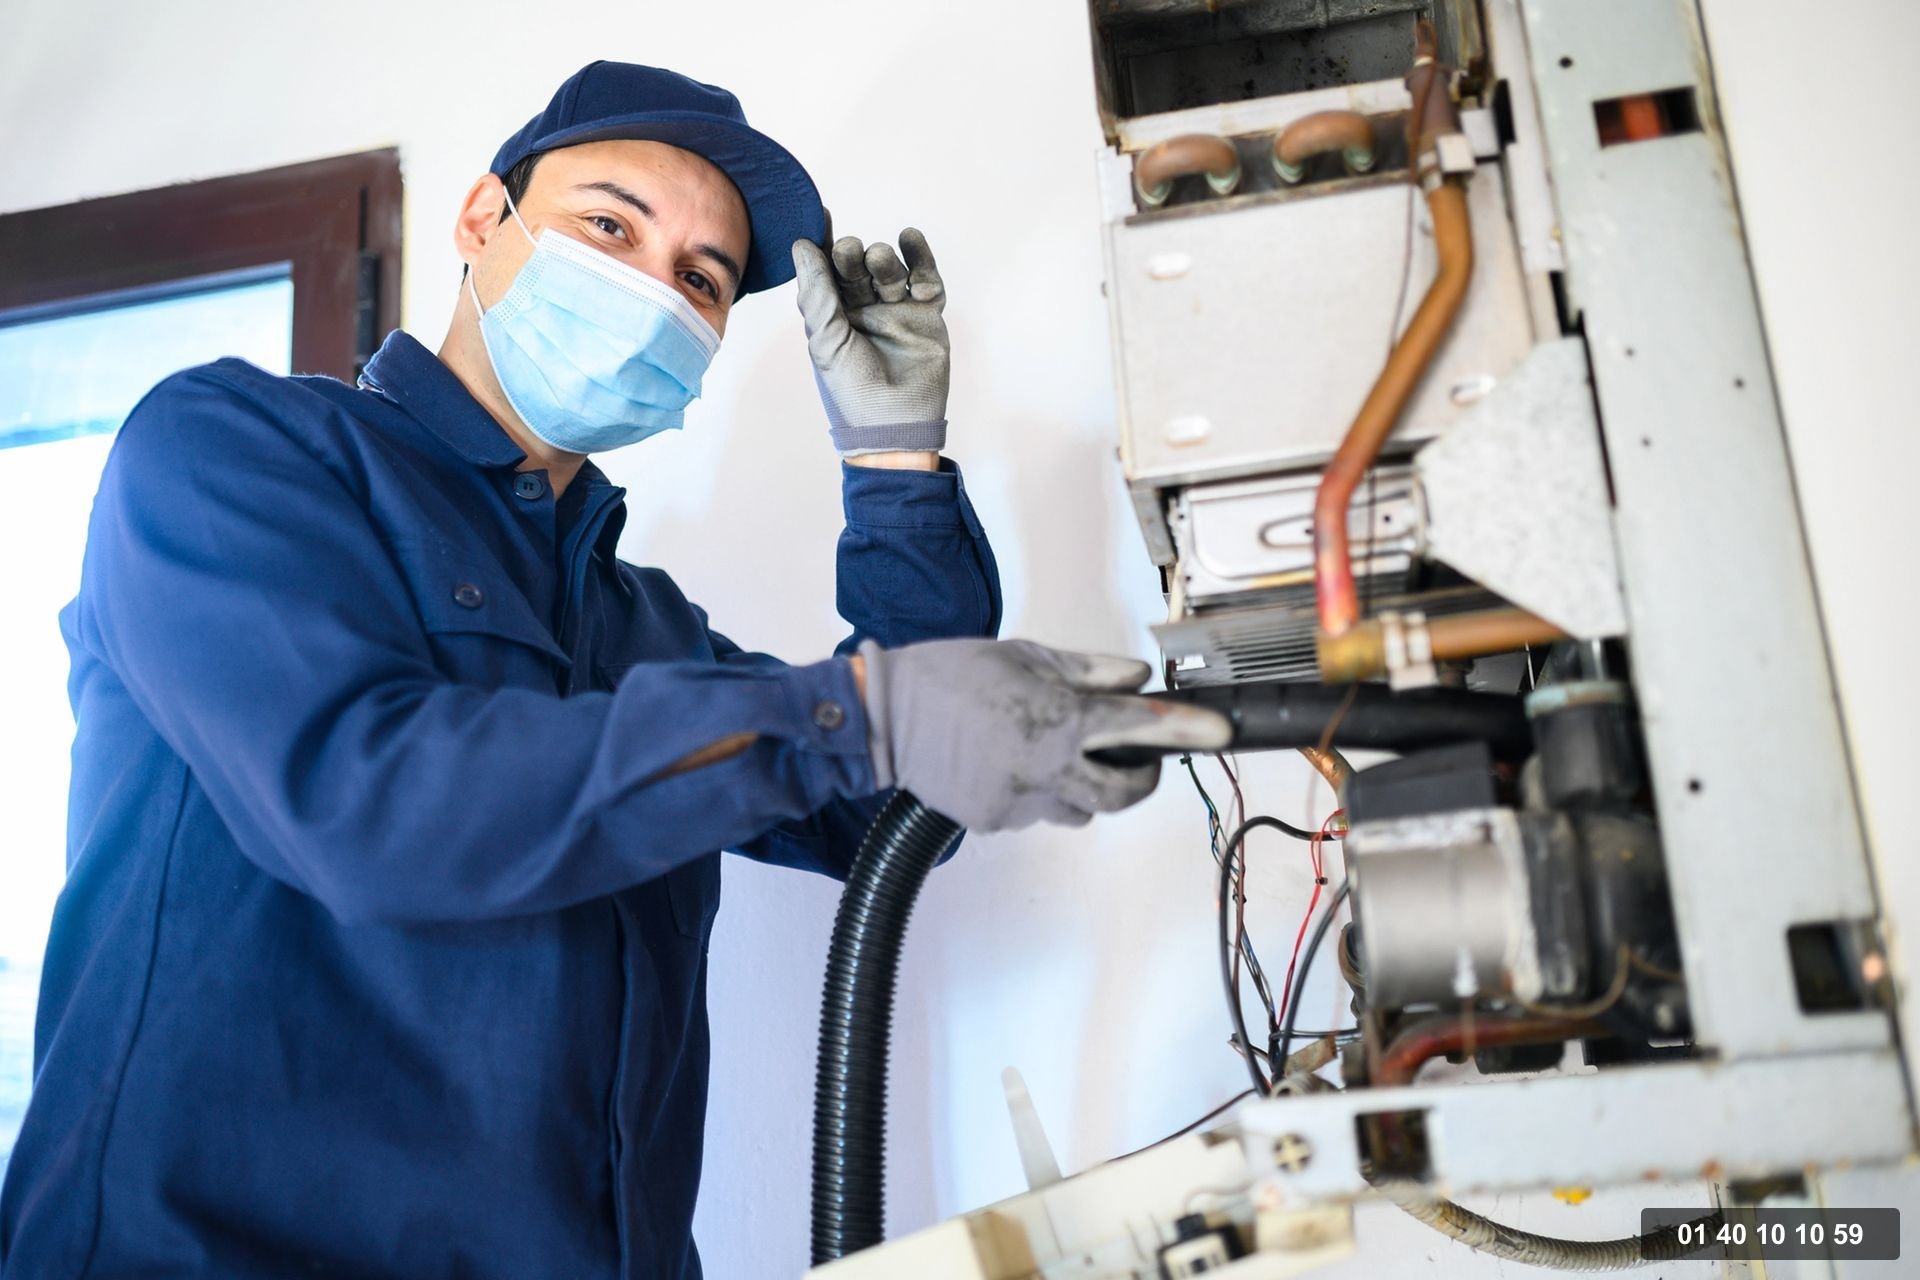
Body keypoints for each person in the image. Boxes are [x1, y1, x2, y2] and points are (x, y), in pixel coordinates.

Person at [0, 62, 1228, 1278]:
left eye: (699, 278)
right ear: (482, 219)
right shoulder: (234, 452)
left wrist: (895, 467)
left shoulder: (641, 626)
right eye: (609, 226)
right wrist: (862, 714)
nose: (651, 289)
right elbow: (370, 801)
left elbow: (893, 807)